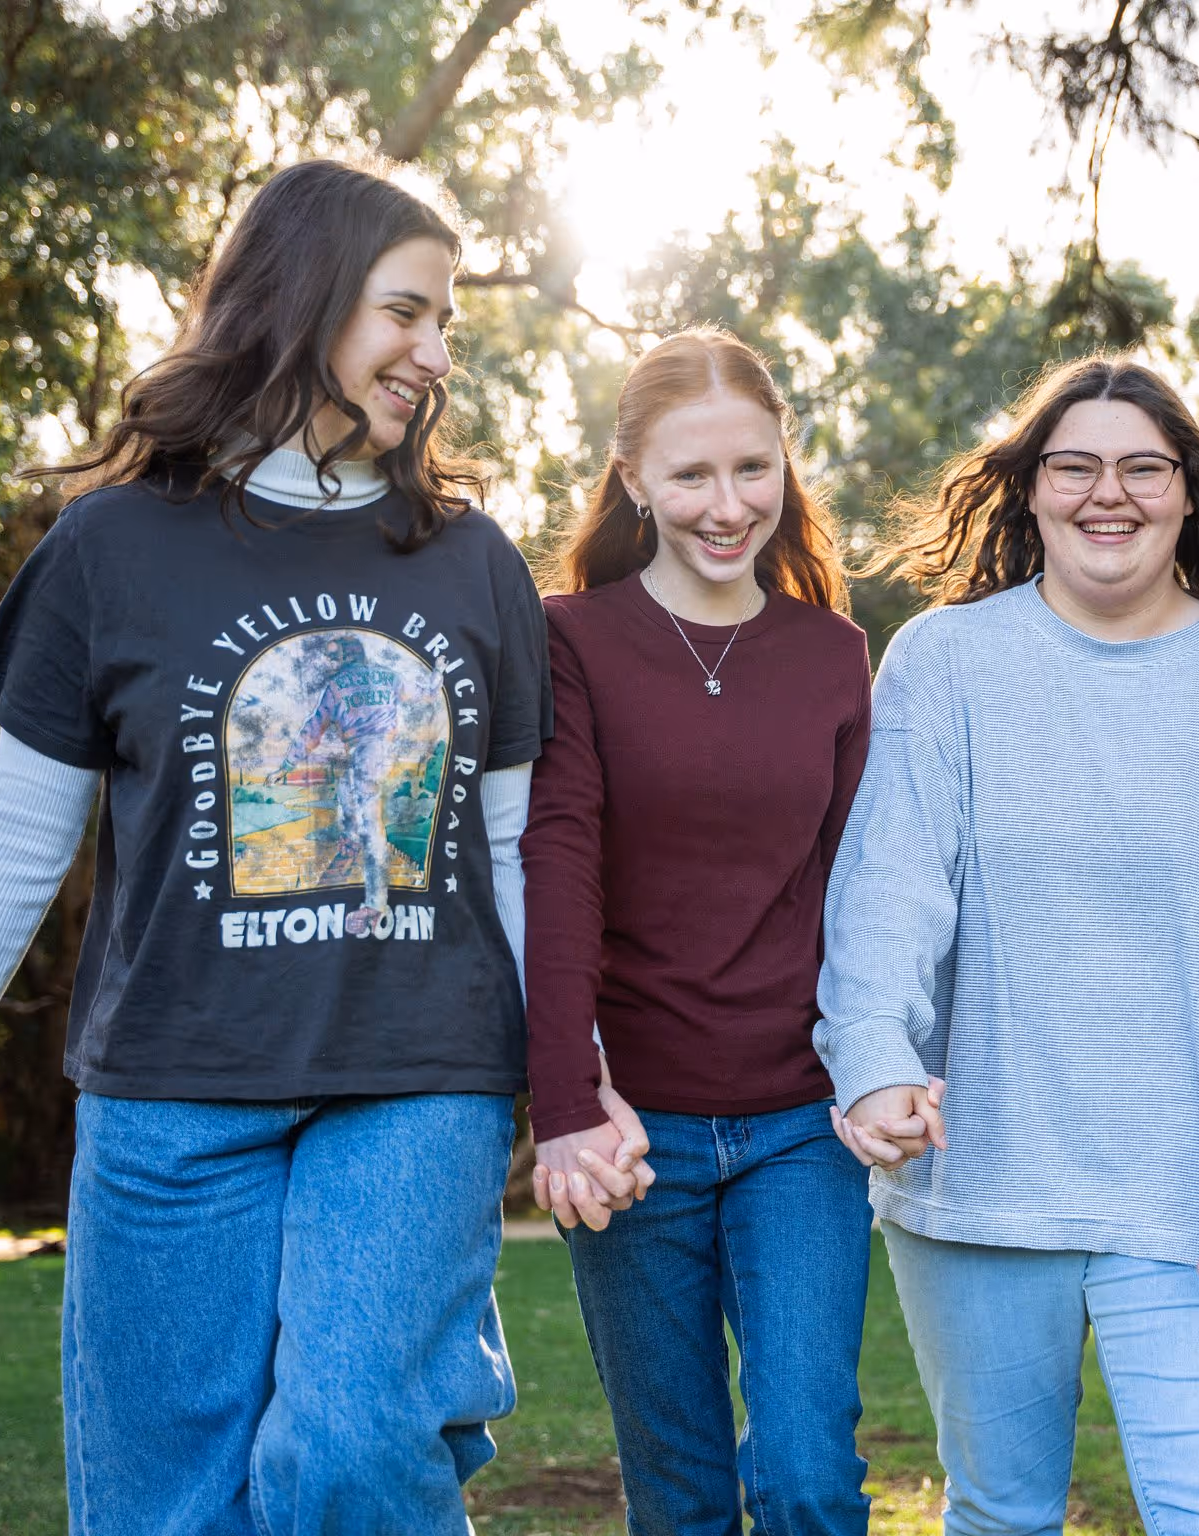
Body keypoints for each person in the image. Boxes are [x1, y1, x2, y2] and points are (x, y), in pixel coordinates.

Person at [0, 158, 640, 1536]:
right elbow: (18, 843)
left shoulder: (473, 564)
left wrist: (577, 1079)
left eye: (446, 323)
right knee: (163, 1504)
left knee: (353, 1447)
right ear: (304, 298)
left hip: (418, 1077)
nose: (434, 356)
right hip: (168, 1088)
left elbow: (513, 850)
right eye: (406, 313)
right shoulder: (108, 552)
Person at [816, 355, 1199, 1536]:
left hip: (1193, 1201)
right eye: (1075, 466)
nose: (1110, 492)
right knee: (1000, 1516)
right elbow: (891, 889)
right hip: (979, 1181)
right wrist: (875, 1058)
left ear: (1186, 492)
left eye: (1143, 467)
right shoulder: (943, 661)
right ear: (1031, 492)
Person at [519, 327, 876, 1536]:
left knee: (807, 1480)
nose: (727, 507)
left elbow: (857, 890)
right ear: (631, 480)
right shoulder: (569, 638)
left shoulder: (833, 654)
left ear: (785, 462)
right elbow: (554, 861)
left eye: (752, 469)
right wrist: (565, 1096)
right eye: (690, 476)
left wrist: (881, 1059)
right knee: (678, 1501)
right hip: (634, 1135)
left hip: (798, 1126)